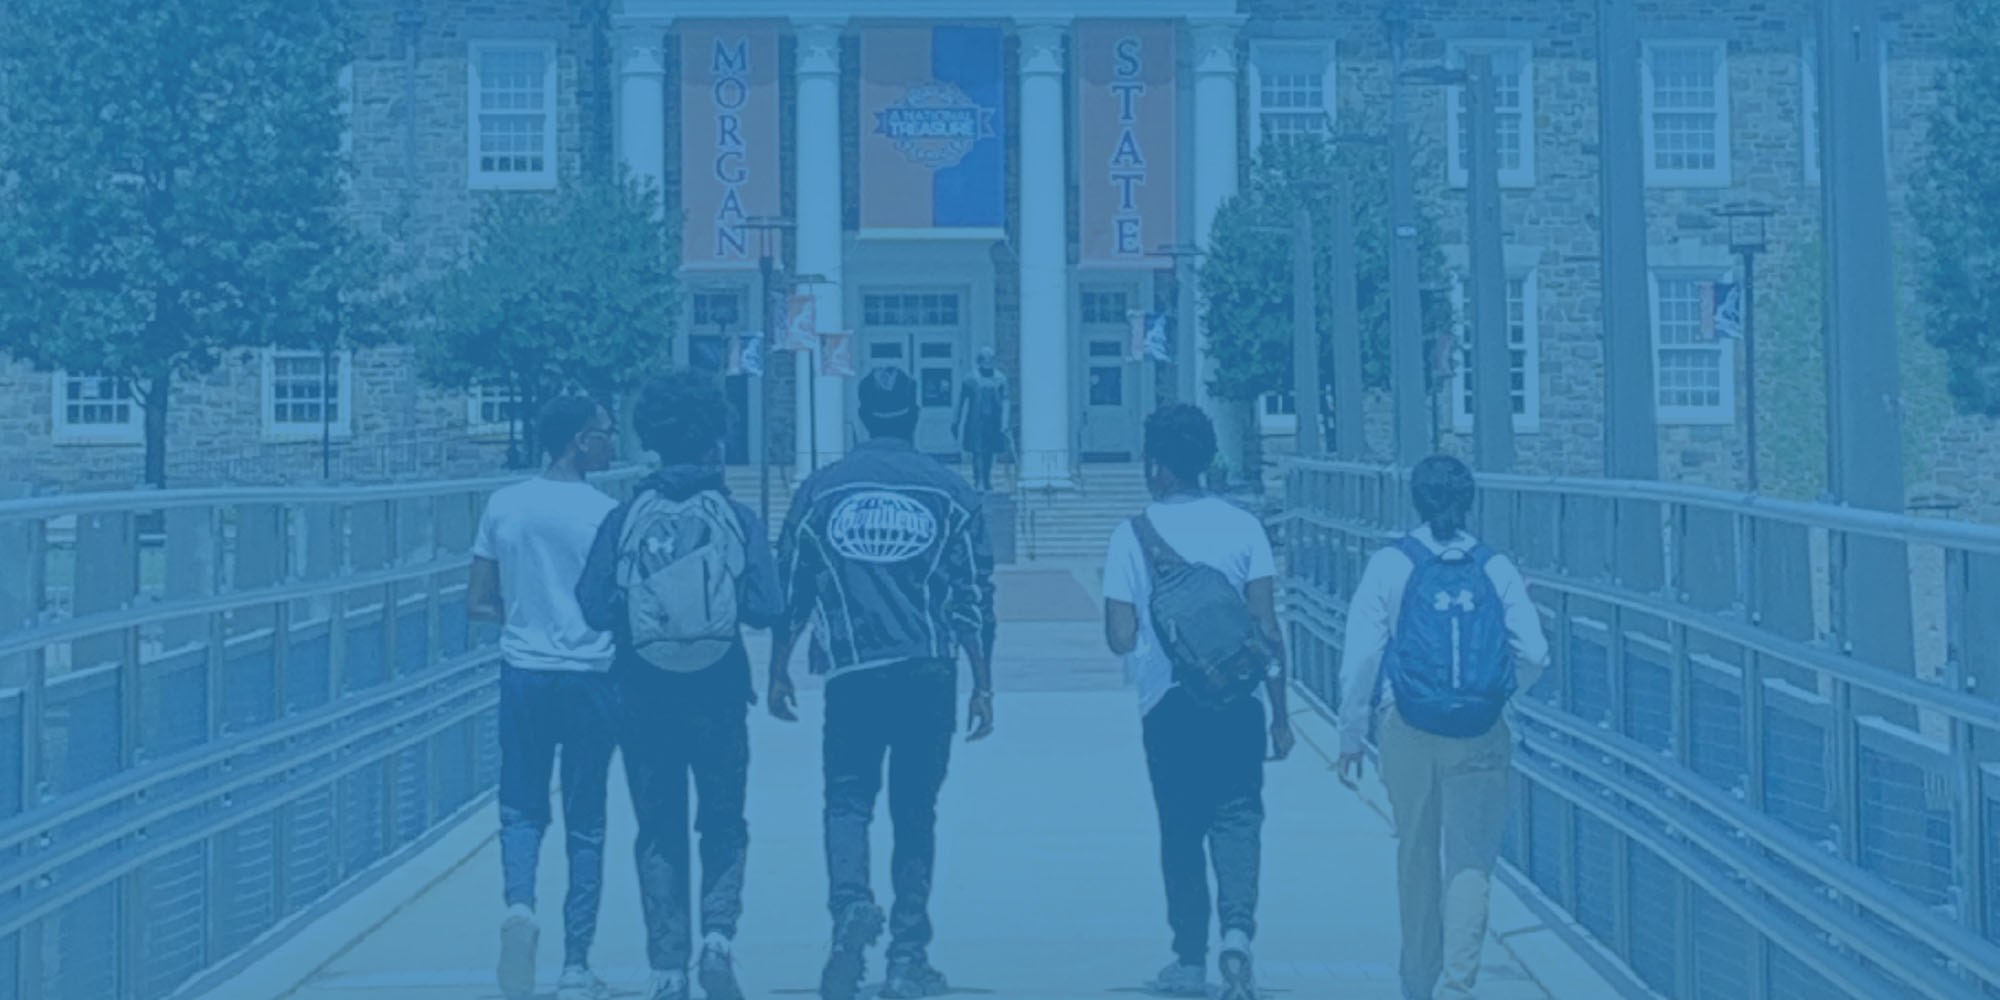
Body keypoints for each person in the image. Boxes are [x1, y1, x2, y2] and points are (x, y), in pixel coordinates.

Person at [768, 366, 998, 1000]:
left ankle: (849, 907)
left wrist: (778, 664)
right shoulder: (950, 492)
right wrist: (983, 681)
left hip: (853, 671)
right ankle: (906, 954)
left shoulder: (821, 491)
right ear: (917, 414)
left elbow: (793, 585)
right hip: (928, 668)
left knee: (847, 799)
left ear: (860, 416)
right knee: (914, 810)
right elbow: (973, 595)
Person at [574, 373, 783, 1000]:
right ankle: (718, 938)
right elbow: (768, 605)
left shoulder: (627, 515)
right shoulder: (734, 515)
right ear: (714, 438)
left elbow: (589, 606)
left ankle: (667, 968)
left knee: (658, 827)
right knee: (723, 821)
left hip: (642, 695)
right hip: (719, 692)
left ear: (652, 439)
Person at [1333, 455, 1549, 1000]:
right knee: (1470, 859)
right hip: (1479, 731)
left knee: (1416, 852)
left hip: (1406, 726)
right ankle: (1458, 988)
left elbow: (1360, 657)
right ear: (1470, 500)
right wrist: (1498, 696)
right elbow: (1536, 654)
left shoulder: (1389, 563)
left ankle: (1415, 982)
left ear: (1416, 500)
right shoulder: (1494, 567)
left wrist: (1351, 734)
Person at [1101, 404, 1296, 1000]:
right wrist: (1281, 714)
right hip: (1238, 699)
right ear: (1209, 459)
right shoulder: (1243, 527)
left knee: (1180, 825)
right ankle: (1237, 934)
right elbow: (1267, 627)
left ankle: (1189, 960)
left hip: (1168, 703)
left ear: (1154, 464)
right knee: (1239, 815)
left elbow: (1120, 637)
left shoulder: (1131, 536)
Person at [467, 396, 621, 1000]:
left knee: (522, 805)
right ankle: (577, 964)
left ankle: (519, 906)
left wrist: (524, 616)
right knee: (587, 820)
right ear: (581, 440)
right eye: (606, 433)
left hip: (524, 672)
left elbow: (477, 601)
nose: (614, 443)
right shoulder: (607, 514)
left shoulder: (504, 505)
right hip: (590, 674)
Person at [952, 346, 1010, 492]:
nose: (987, 363)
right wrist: (955, 421)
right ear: (979, 361)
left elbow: (1006, 401)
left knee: (989, 452)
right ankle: (978, 481)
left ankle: (987, 479)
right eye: (985, 359)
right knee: (977, 451)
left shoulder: (1000, 379)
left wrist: (1004, 422)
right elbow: (960, 401)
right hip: (975, 420)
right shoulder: (970, 379)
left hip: (993, 420)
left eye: (990, 359)